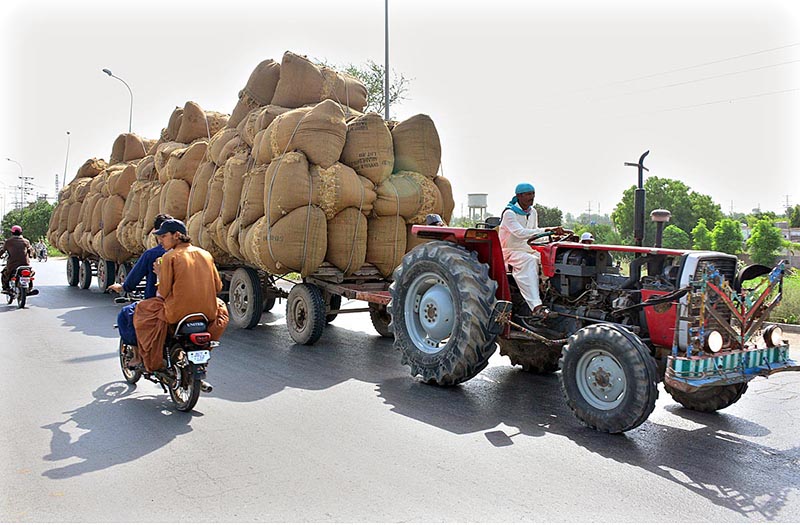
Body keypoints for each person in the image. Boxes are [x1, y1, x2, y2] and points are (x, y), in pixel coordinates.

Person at [132, 219, 229, 372]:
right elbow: (218, 286)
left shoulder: (170, 258)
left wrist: (159, 274)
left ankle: (150, 359)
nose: (160, 241)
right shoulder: (206, 254)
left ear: (176, 235)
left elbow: (163, 293)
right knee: (221, 308)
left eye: (163, 236)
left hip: (177, 314)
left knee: (142, 309)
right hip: (208, 313)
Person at [109, 214, 172, 367]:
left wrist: (123, 287)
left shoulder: (153, 255)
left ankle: (137, 356)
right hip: (190, 306)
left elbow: (132, 280)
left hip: (158, 304)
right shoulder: (194, 254)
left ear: (158, 234)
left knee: (126, 315)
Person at [498, 183, 564, 317]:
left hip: (528, 248)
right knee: (529, 261)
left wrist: (553, 237)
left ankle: (552, 295)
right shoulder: (509, 213)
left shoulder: (533, 212)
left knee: (552, 259)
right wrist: (547, 230)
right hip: (509, 251)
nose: (532, 197)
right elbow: (520, 233)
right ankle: (536, 306)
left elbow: (534, 235)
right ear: (519, 196)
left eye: (533, 193)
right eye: (528, 194)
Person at [1, 225, 35, 293]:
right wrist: (32, 255)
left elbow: (2, 251)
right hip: (25, 264)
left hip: (12, 266)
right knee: (30, 273)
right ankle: (30, 288)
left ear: (12, 233)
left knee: (4, 274)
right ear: (21, 232)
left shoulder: (8, 242)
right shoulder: (26, 241)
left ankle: (6, 288)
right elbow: (31, 251)